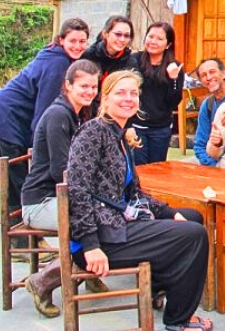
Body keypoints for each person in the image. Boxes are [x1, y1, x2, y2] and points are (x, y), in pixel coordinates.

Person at [67, 70, 213, 331]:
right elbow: (77, 191)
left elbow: (135, 193)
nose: (128, 98)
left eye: (133, 93)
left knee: (192, 217)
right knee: (194, 235)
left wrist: (169, 212)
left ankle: (158, 287)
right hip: (101, 236)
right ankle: (179, 320)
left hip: (117, 222)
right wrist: (90, 245)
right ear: (105, 99)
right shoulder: (93, 132)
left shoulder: (119, 135)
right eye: (120, 93)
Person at [0, 17, 90, 257]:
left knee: (18, 181)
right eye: (72, 41)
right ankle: (22, 245)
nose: (78, 46)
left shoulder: (58, 57)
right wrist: (37, 148)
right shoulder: (57, 64)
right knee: (16, 182)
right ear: (61, 40)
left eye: (82, 41)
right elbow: (44, 112)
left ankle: (28, 240)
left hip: (14, 119)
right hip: (8, 122)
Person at [20, 60, 104, 318]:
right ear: (68, 85)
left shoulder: (75, 113)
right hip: (41, 202)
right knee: (96, 221)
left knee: (107, 213)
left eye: (93, 87)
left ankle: (89, 273)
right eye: (83, 86)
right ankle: (42, 280)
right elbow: (62, 171)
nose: (90, 92)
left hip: (61, 196)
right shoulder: (58, 115)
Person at [130, 22, 184, 165]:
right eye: (151, 36)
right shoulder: (134, 60)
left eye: (159, 39)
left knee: (157, 169)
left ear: (168, 45)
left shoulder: (174, 66)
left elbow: (174, 102)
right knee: (139, 169)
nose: (153, 41)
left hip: (161, 128)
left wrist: (173, 79)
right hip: (136, 125)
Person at [82, 15, 135, 112]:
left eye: (126, 36)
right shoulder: (89, 56)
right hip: (87, 110)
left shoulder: (129, 62)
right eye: (118, 34)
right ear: (105, 34)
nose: (122, 39)